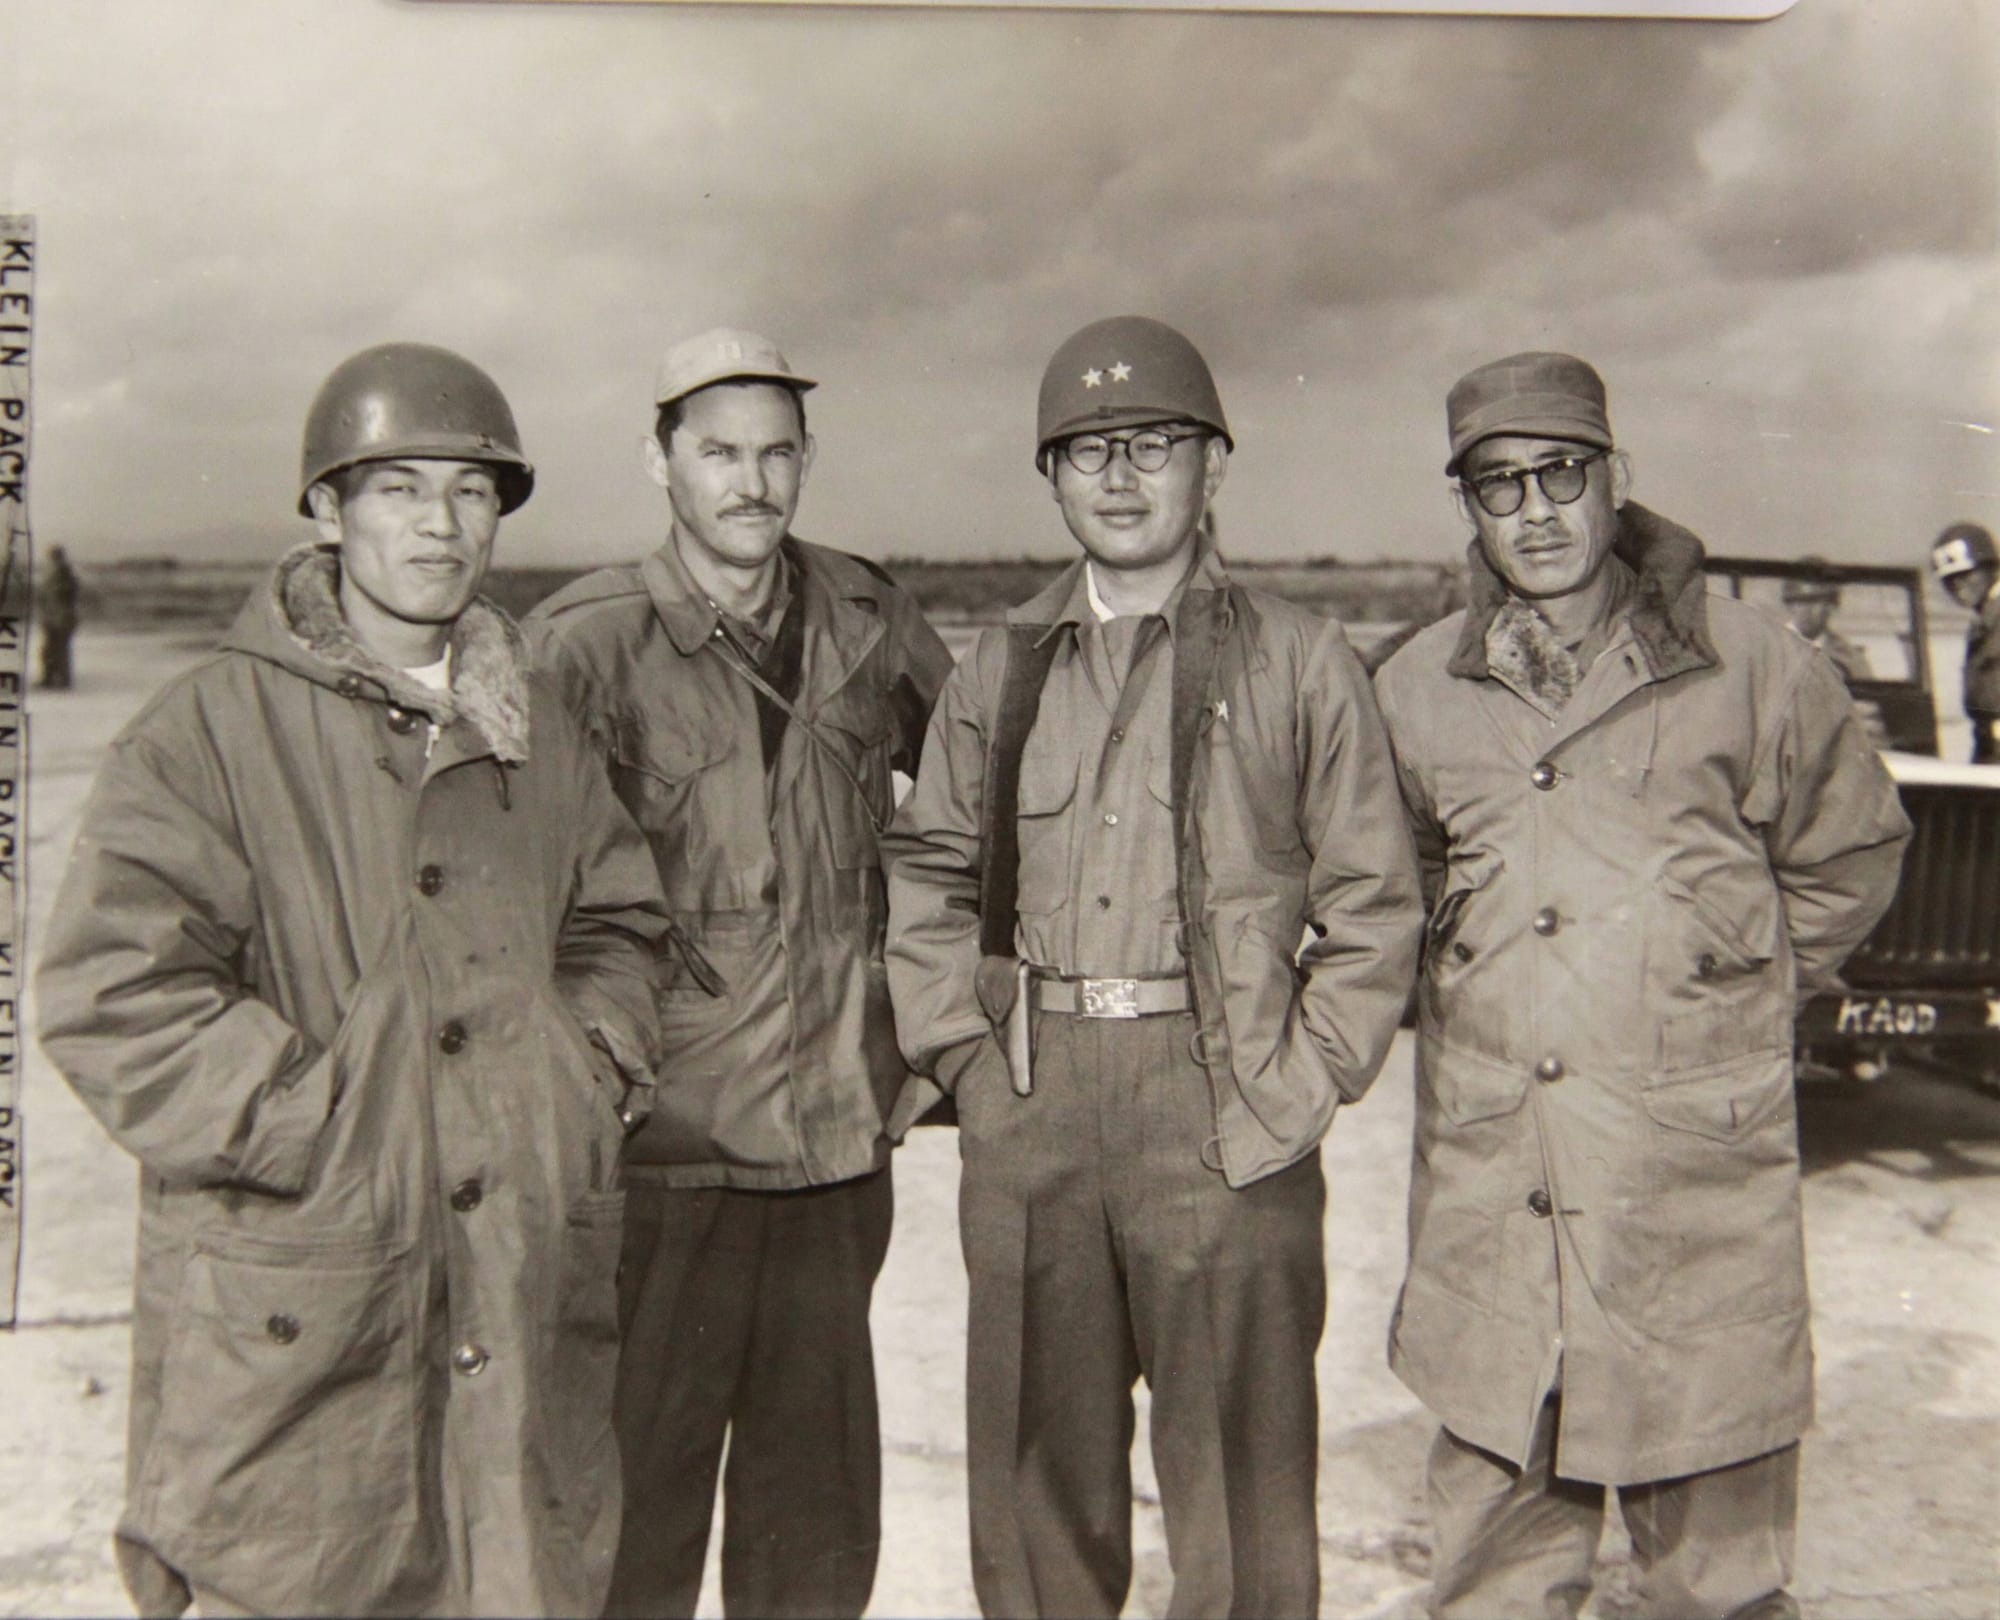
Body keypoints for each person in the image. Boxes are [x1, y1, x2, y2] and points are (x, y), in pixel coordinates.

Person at [35, 343, 670, 1619]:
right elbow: (113, 992)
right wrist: (321, 1125)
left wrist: (583, 1069)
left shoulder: (540, 727)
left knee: (514, 1569)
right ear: (327, 507)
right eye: (398, 488)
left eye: (472, 492)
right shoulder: (206, 731)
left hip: (515, 1282)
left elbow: (620, 920)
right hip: (307, 1297)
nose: (441, 524)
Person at [884, 315, 1423, 1618]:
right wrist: (969, 1065)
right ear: (1051, 478)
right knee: (1038, 1492)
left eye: (1153, 445)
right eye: (1087, 450)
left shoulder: (1297, 659)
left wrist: (1298, 1086)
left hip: (1223, 1104)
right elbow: (929, 874)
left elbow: (1375, 901)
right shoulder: (1001, 666)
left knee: (1240, 1497)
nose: (1119, 477)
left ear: (1211, 464)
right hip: (1036, 1109)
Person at [1372, 351, 1912, 1620]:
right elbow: (1393, 886)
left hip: (1689, 1171)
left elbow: (1848, 853)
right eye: (1498, 485)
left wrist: (1728, 991)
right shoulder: (1413, 688)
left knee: (1717, 1564)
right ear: (1464, 505)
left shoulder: (1753, 664)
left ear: (1616, 474)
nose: (1534, 511)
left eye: (1561, 472)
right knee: (1495, 1561)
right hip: (1498, 1167)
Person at [526, 327, 952, 1620]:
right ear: (659, 462)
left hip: (833, 1148)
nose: (751, 483)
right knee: (632, 1522)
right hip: (665, 1157)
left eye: (776, 454)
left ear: (806, 461)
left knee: (814, 1530)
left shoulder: (870, 618)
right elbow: (515, 902)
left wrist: (932, 1018)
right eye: (719, 454)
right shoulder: (582, 646)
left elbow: (974, 811)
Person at [1929, 520, 2000, 763]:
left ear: (1991, 568)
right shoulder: (1983, 621)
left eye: (1965, 573)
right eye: (1948, 579)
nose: (1956, 585)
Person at [1780, 559, 1873, 685]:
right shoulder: (1767, 650)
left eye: (1815, 601)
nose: (1806, 609)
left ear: (1832, 606)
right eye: (1800, 599)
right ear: (1788, 604)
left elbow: (1866, 695)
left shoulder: (1850, 658)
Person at [34, 542, 80, 688]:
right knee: (50, 649)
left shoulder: (63, 574)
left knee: (58, 649)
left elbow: (66, 596)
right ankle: (50, 678)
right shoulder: (53, 573)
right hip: (54, 617)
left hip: (62, 617)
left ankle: (60, 680)